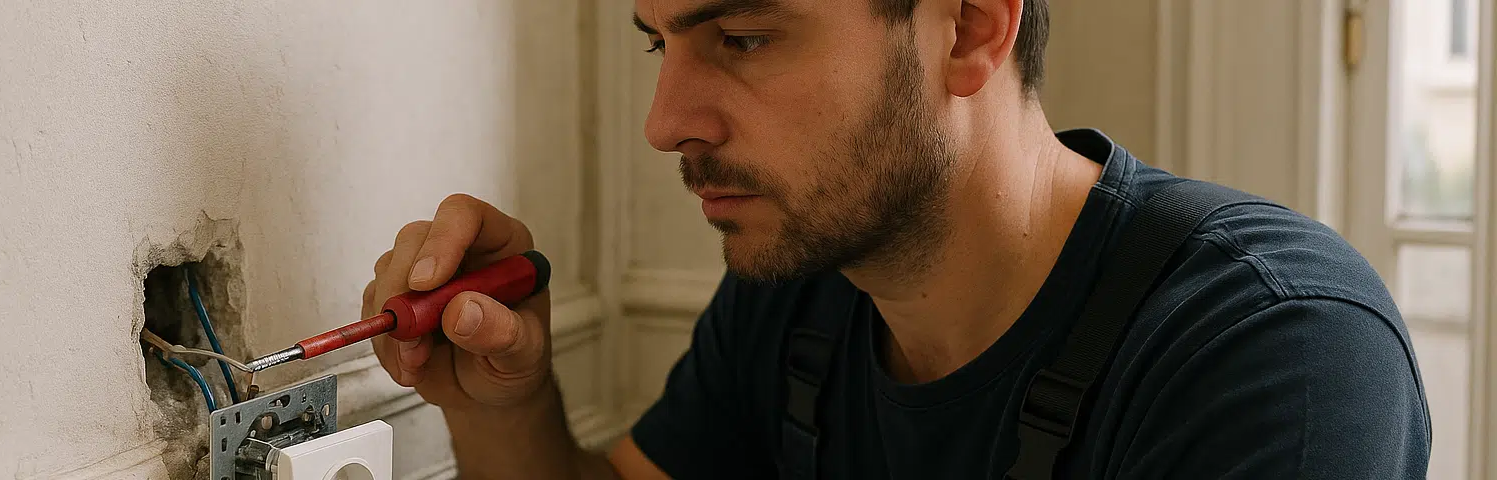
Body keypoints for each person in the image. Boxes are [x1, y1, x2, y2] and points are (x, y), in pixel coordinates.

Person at [363, 0, 1432, 478]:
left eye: (743, 36)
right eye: (661, 45)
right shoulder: (802, 283)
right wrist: (502, 404)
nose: (665, 121)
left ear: (969, 27)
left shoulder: (1274, 348)